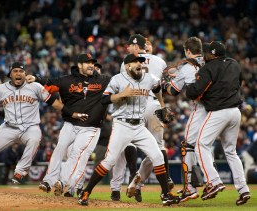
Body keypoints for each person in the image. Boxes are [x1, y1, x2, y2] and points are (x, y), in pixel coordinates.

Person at [0, 62, 83, 190]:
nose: (18, 73)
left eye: (21, 71)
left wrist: (71, 113)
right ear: (10, 74)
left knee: (35, 139)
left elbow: (53, 102)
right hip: (8, 127)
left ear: (25, 74)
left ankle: (20, 172)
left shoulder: (35, 86)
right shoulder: (2, 89)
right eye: (15, 71)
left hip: (30, 127)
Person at [78, 53, 180, 206]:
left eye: (140, 62)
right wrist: (120, 95)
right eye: (135, 62)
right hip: (122, 125)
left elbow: (158, 87)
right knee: (110, 160)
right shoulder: (117, 79)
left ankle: (166, 194)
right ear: (127, 66)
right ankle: (86, 191)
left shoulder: (148, 78)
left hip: (139, 126)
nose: (139, 64)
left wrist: (161, 103)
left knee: (158, 156)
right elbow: (104, 99)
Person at [27, 54, 111, 196]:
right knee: (60, 149)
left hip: (90, 127)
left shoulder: (103, 81)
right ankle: (49, 181)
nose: (91, 65)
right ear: (79, 65)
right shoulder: (67, 80)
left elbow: (120, 81)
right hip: (70, 124)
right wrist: (36, 78)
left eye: (93, 63)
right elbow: (49, 83)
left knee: (77, 155)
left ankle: (66, 183)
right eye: (88, 63)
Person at [186, 41, 251, 205]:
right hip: (235, 112)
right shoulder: (234, 63)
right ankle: (243, 189)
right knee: (231, 151)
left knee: (201, 145)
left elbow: (194, 92)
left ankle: (214, 181)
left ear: (213, 55)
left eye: (207, 53)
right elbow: (240, 82)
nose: (205, 55)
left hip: (219, 112)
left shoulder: (209, 67)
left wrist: (193, 87)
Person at [113, 34, 173, 203]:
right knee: (158, 147)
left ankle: (131, 178)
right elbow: (163, 86)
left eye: (129, 45)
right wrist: (162, 104)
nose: (127, 48)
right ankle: (163, 182)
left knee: (128, 143)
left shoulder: (127, 62)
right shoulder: (159, 61)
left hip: (134, 104)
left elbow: (124, 85)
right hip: (154, 104)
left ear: (135, 46)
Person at [162, 37, 206, 202]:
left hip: (200, 108)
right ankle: (210, 182)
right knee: (209, 147)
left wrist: (162, 83)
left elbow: (173, 91)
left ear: (187, 50)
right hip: (217, 107)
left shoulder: (187, 66)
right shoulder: (209, 61)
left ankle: (190, 188)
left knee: (187, 146)